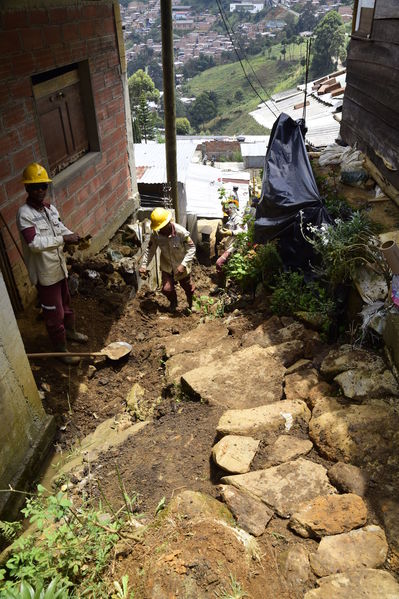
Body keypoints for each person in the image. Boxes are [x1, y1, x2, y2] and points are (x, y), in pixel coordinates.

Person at [17, 163, 88, 364]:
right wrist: (63, 240)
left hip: (59, 267)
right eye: (35, 187)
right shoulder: (25, 214)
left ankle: (71, 332)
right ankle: (61, 350)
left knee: (66, 304)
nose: (40, 190)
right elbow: (34, 243)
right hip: (45, 273)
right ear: (27, 189)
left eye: (43, 186)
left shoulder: (50, 209)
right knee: (53, 312)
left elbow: (60, 229)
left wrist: (73, 235)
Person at [139, 207, 196, 312]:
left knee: (188, 287)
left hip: (180, 265)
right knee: (166, 289)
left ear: (169, 222)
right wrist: (143, 265)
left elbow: (192, 248)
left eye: (162, 226)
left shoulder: (181, 232)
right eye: (159, 227)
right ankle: (174, 302)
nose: (161, 229)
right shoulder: (156, 235)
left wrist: (183, 265)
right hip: (166, 266)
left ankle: (192, 303)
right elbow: (150, 250)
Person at [214, 197, 245, 289]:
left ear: (232, 208)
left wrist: (230, 232)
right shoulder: (231, 219)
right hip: (230, 245)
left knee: (219, 263)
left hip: (235, 246)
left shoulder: (238, 219)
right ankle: (224, 287)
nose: (226, 211)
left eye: (227, 209)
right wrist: (226, 232)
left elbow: (243, 232)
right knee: (228, 267)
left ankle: (224, 287)